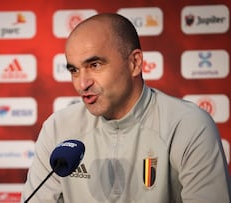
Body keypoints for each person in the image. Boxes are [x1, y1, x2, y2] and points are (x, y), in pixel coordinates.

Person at [21, 13, 231, 202]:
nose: (81, 83)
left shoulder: (188, 125)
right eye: (74, 70)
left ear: (135, 63)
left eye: (94, 65)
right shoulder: (58, 128)